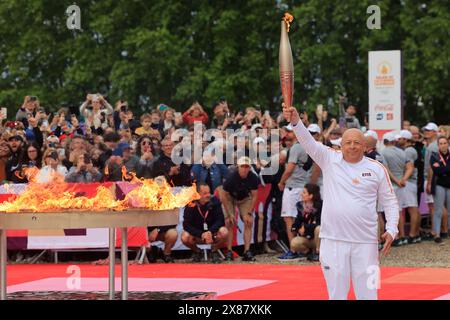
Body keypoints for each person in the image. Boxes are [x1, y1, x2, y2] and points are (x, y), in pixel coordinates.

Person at [283, 105, 399, 300]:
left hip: (367, 242)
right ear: (341, 145)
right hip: (333, 240)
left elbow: (390, 201)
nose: (352, 146)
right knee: (336, 294)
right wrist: (295, 122)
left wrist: (392, 228)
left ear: (365, 146)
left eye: (356, 142)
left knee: (369, 294)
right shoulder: (329, 159)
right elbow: (308, 142)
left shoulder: (377, 169)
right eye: (348, 142)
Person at [277, 124, 312, 261]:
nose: (287, 133)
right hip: (303, 185)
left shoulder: (296, 148)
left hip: (293, 187)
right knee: (302, 218)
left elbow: (290, 168)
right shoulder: (309, 146)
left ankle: (293, 250)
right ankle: (304, 249)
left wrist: (281, 182)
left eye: (289, 131)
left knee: (289, 219)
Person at [222, 156, 259, 261]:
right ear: (238, 167)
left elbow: (254, 196)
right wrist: (229, 213)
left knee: (249, 221)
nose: (244, 169)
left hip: (244, 198)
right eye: (242, 166)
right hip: (230, 198)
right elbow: (224, 195)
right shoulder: (231, 177)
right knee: (229, 222)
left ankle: (247, 251)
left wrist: (249, 213)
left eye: (247, 166)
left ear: (249, 168)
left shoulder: (253, 177)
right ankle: (229, 251)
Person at [182, 183, 228, 263]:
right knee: (184, 237)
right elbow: (186, 225)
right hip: (197, 235)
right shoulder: (190, 204)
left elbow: (220, 220)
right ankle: (198, 251)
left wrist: (210, 232)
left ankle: (214, 250)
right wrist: (201, 234)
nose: (208, 195)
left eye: (209, 192)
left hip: (212, 234)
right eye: (205, 193)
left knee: (224, 232)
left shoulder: (215, 201)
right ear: (198, 194)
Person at [381, 132, 410, 246]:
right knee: (399, 212)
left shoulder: (383, 152)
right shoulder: (402, 152)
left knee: (391, 212)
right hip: (401, 185)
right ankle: (402, 236)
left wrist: (396, 181)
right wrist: (402, 179)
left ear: (384, 142)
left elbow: (386, 169)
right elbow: (409, 167)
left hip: (391, 185)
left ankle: (395, 237)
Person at [397, 130, 422, 243]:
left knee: (412, 209)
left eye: (400, 138)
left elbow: (409, 167)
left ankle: (412, 235)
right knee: (414, 209)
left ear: (406, 140)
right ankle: (415, 234)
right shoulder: (409, 150)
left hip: (409, 182)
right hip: (411, 182)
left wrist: (403, 179)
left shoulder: (408, 151)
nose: (398, 140)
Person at [290, 183, 322, 262]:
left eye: (304, 192)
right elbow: (298, 221)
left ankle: (318, 253)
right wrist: (295, 228)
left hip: (318, 239)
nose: (301, 194)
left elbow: (319, 223)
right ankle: (308, 253)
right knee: (294, 243)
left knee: (319, 228)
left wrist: (306, 227)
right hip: (307, 236)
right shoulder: (301, 205)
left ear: (311, 196)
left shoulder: (320, 205)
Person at [429, 136, 450, 243]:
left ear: (448, 144)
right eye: (441, 143)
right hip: (439, 185)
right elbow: (435, 170)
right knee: (438, 210)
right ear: (438, 145)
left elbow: (441, 169)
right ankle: (436, 234)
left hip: (449, 185)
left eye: (445, 143)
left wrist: (442, 168)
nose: (443, 145)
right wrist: (445, 169)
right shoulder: (434, 155)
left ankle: (448, 231)